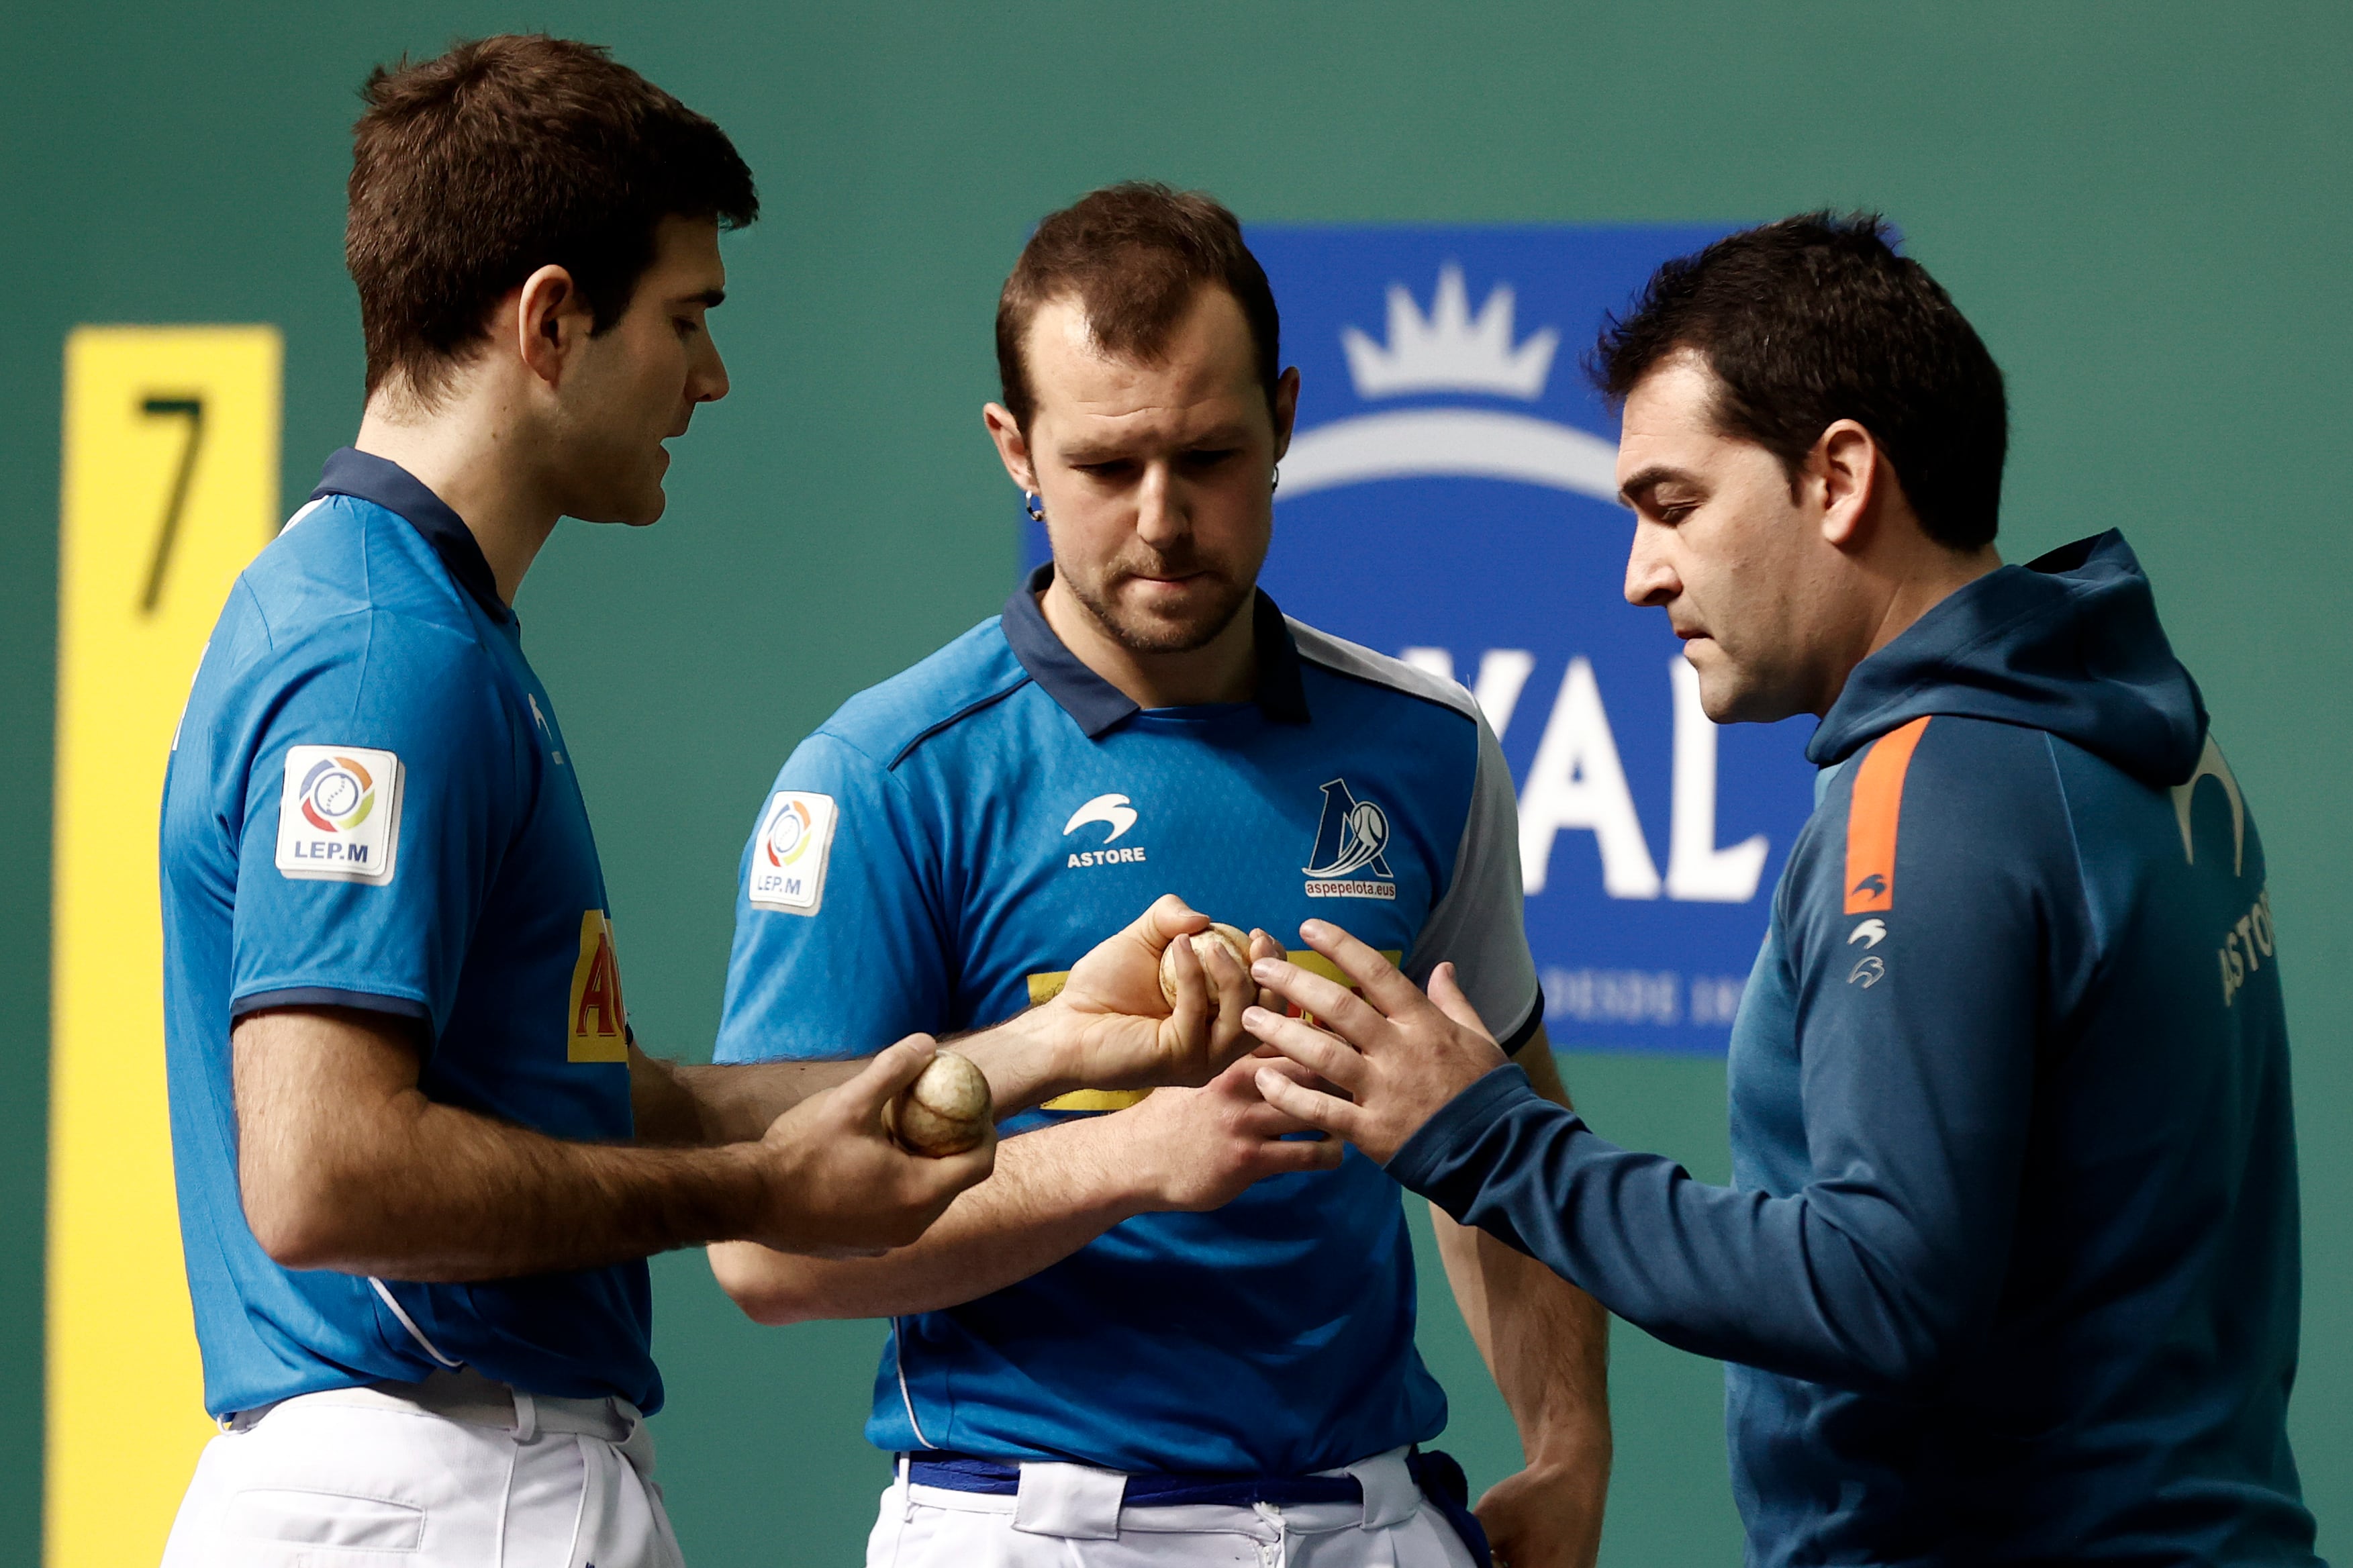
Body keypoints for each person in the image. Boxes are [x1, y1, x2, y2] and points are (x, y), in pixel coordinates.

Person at [157, 46, 1244, 1567]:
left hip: (463, 1478)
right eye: (686, 319)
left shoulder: (393, 619)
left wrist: (1041, 1049)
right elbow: (323, 1171)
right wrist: (756, 1189)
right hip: (445, 1492)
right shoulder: (385, 658)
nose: (711, 376)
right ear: (550, 321)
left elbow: (583, 1100)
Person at [1242, 213, 2323, 1566]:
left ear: (1840, 477)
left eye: (1671, 505)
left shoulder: (1931, 798)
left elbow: (1885, 1289)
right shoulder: (2116, 729)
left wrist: (1486, 1140)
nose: (1638, 576)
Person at [706, 183, 1612, 1568]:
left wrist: (1567, 1453)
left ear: (1288, 419)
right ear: (1014, 448)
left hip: (1371, 1517)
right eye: (1105, 467)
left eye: (1207, 456)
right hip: (1025, 1521)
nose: (1163, 518)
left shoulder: (1427, 749)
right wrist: (1131, 1159)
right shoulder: (888, 776)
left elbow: (1497, 1147)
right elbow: (770, 1254)